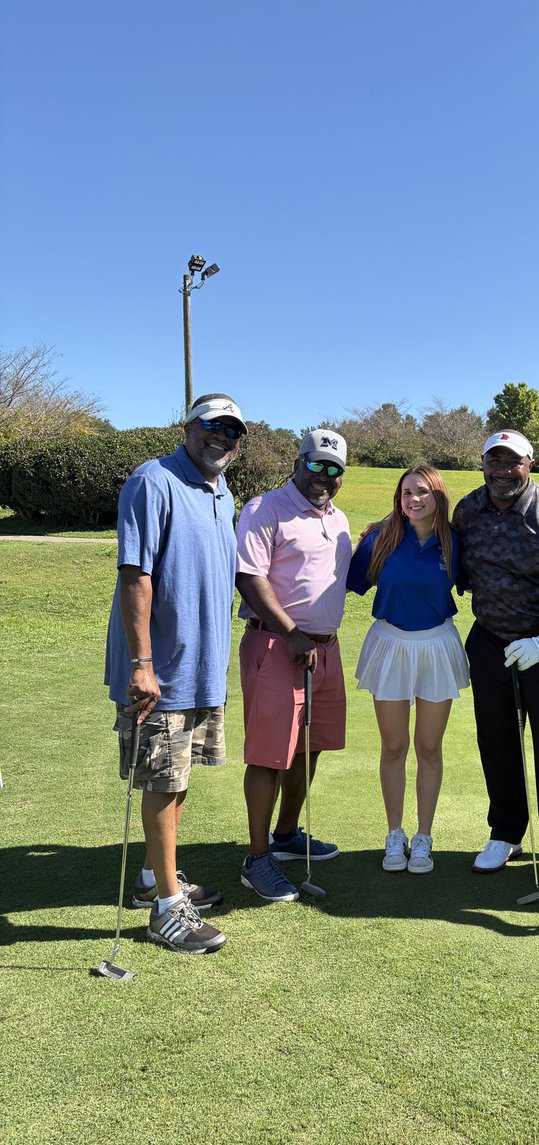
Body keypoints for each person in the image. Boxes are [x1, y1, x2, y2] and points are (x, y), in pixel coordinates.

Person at [105, 393, 247, 954]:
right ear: (187, 427)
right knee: (163, 782)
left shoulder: (222, 491)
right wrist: (142, 663)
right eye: (213, 426)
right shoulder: (153, 480)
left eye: (233, 431)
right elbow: (135, 573)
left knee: (178, 778)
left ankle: (151, 877)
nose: (223, 438)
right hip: (159, 668)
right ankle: (167, 908)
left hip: (201, 666)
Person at [453, 430, 539, 900]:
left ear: (529, 464)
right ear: (483, 464)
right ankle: (506, 832)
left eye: (512, 461)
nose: (502, 470)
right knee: (496, 743)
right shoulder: (468, 509)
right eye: (493, 460)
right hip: (490, 642)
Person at [235, 429, 353, 901]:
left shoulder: (338, 519)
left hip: (325, 649)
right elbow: (248, 576)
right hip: (277, 645)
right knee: (269, 755)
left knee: (310, 747)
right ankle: (257, 858)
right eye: (316, 464)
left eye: (333, 469)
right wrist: (290, 633)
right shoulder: (265, 509)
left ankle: (285, 834)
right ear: (298, 462)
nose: (323, 475)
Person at [346, 466, 469, 875]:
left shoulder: (454, 542)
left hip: (437, 645)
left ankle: (423, 838)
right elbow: (341, 583)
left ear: (438, 496)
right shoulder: (380, 539)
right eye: (406, 493)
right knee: (394, 747)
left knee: (429, 748)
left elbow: (481, 584)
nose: (414, 499)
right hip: (390, 645)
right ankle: (394, 833)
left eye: (422, 492)